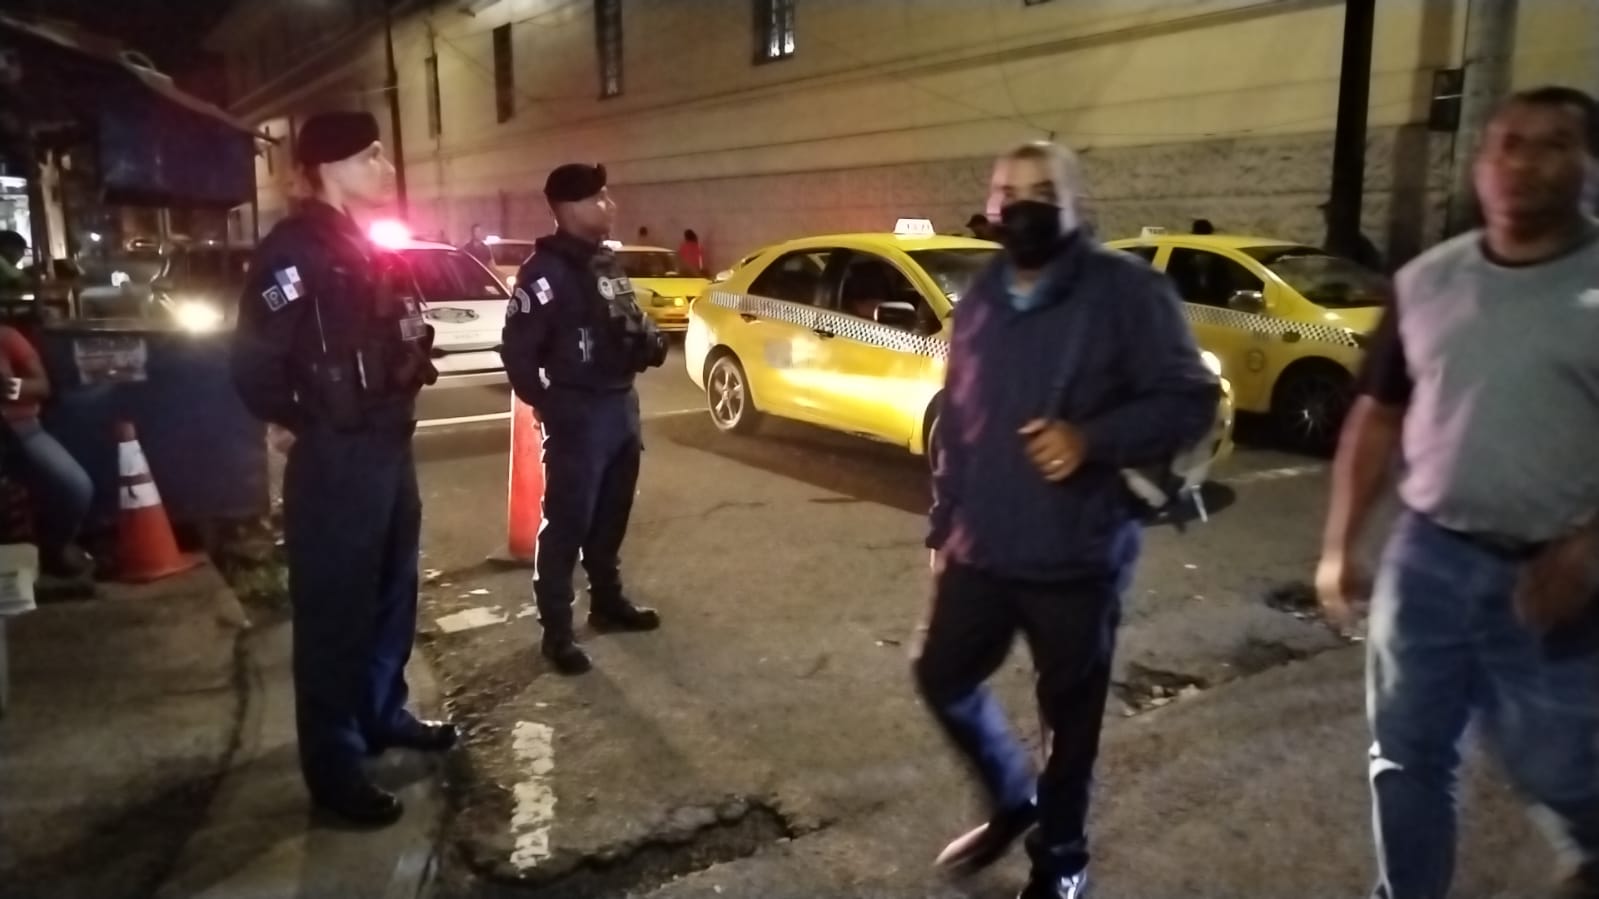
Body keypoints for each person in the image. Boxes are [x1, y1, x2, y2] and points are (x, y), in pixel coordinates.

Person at [915, 141, 1219, 899]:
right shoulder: (981, 298)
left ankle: (1061, 857)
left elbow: (1190, 399)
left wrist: (1091, 439)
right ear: (989, 206)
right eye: (1007, 192)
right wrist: (942, 526)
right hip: (982, 546)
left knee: (1068, 721)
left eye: (1044, 191)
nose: (1023, 206)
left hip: (1076, 553)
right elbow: (959, 423)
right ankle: (1011, 794)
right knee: (941, 674)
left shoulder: (1128, 292)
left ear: (1077, 202)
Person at [1316, 86, 1599, 899]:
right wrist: (1339, 545)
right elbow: (1376, 418)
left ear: (1588, 165)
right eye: (1507, 142)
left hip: (1555, 574)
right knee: (1404, 754)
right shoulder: (1424, 282)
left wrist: (1589, 547)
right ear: (1480, 163)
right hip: (1428, 558)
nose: (1523, 162)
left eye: (1552, 143)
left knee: (1558, 765)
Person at [231, 111, 457, 828]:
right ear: (328, 167)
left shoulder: (365, 245)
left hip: (388, 442)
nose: (386, 167)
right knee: (334, 610)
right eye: (371, 156)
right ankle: (333, 765)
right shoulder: (295, 250)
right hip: (337, 454)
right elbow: (254, 362)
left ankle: (381, 712)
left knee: (391, 589)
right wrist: (304, 421)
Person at [500, 164, 668, 676]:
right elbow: (518, 352)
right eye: (599, 198)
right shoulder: (543, 273)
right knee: (567, 523)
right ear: (570, 208)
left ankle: (607, 601)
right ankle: (557, 631)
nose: (609, 205)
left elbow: (630, 320)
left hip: (620, 405)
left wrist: (648, 340)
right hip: (578, 410)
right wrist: (548, 404)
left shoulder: (605, 262)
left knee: (612, 513)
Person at [0, 324, 93, 579]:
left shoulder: (6, 337)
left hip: (21, 429)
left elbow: (42, 386)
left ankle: (54, 548)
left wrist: (10, 388)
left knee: (75, 488)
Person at [1319, 200, 1385, 271]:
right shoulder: (1334, 237)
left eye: (1330, 213)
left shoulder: (1350, 239)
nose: (1326, 217)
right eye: (1326, 213)